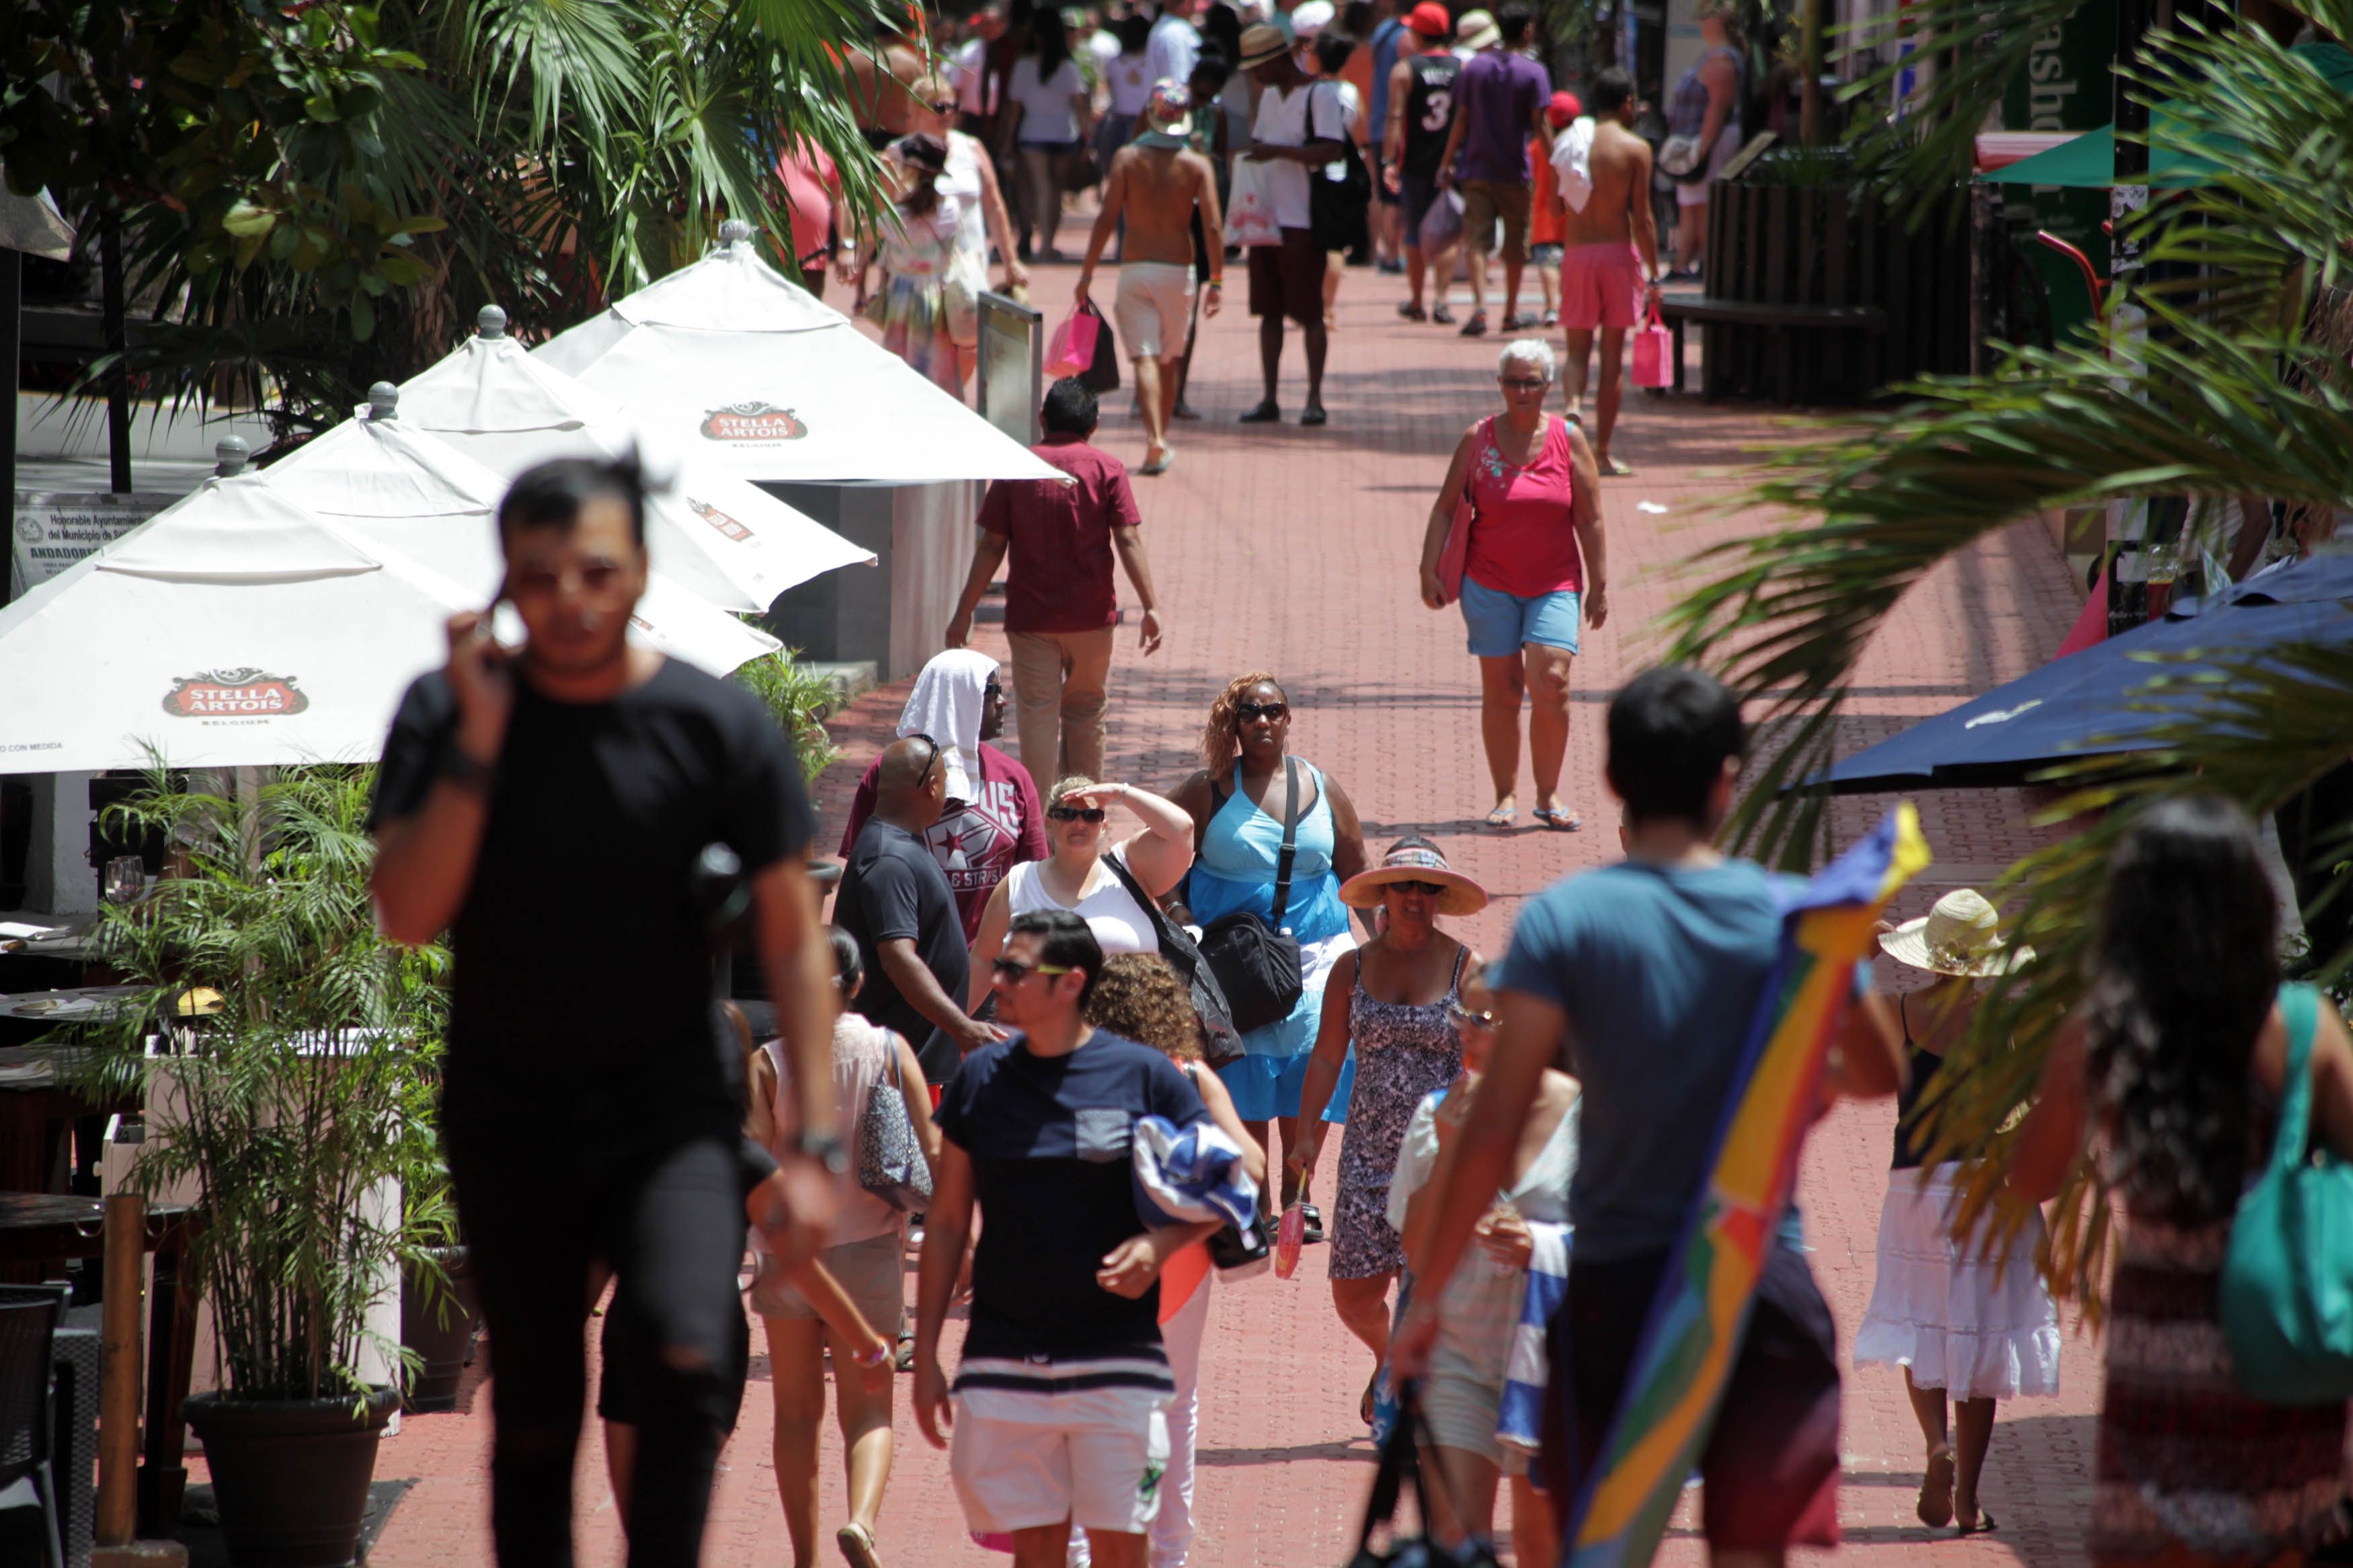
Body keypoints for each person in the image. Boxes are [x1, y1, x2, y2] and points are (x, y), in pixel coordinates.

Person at [367, 454, 842, 1568]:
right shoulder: (446, 710)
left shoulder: (715, 723)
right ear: (503, 582)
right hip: (512, 1116)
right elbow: (407, 912)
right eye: (539, 577)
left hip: (672, 1116)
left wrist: (814, 1142)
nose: (570, 599)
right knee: (535, 1405)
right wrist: (481, 736)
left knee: (685, 1351)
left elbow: (793, 938)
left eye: (596, 570)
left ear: (639, 568)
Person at [1393, 664, 1907, 1565]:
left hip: (1618, 1288)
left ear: (1611, 779)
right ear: (1727, 781)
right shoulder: (1792, 912)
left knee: (1604, 1547)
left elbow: (1494, 1121)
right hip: (1757, 1279)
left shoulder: (1567, 919)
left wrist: (1426, 1296)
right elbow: (1875, 1071)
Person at [2012, 795, 2353, 1564]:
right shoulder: (2302, 1026)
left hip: (2159, 1345)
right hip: (2279, 1325)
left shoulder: (2101, 1029)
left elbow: (2030, 1174)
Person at [913, 911, 1226, 1568]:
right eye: (999, 964)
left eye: (1015, 969)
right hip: (1007, 1361)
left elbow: (1230, 1184)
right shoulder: (979, 1079)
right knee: (1036, 1549)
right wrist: (926, 1353)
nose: (997, 979)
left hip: (1119, 1362)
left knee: (1119, 1548)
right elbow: (945, 1223)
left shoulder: (1145, 1075)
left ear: (1071, 983)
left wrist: (1162, 1244)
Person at [1853, 890, 2059, 1536]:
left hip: (1915, 1187)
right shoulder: (2005, 1022)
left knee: (1921, 1321)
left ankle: (1934, 1445)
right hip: (1987, 1187)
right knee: (1980, 1333)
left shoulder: (1901, 1010)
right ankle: (1968, 1500)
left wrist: (1860, 957)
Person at [747, 938, 934, 1568]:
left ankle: (805, 1557)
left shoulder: (769, 1061)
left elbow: (752, 1162)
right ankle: (861, 1522)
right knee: (870, 1409)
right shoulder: (890, 1049)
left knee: (796, 1414)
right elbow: (933, 1147)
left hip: (789, 1257)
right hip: (871, 1247)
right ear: (857, 984)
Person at [1289, 838, 1486, 1427]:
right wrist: (1305, 1136)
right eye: (1403, 885)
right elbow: (1328, 1055)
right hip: (1367, 1153)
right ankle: (1388, 1357)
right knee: (1353, 1295)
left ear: (1441, 897)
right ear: (1383, 893)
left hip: (1439, 1159)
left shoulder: (1467, 967)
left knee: (1427, 1292)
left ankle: (1422, 1407)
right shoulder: (1351, 968)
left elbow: (1491, 1055)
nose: (1414, 898)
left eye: (1427, 888)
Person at [1082, 953, 1267, 1568]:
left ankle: (1082, 1551)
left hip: (1105, 1259)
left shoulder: (1083, 1078)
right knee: (1177, 1402)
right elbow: (1253, 1166)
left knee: (1094, 1407)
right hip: (1182, 1258)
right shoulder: (1191, 1076)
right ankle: (1170, 1553)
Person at [1166, 672, 1370, 1227]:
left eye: (1273, 710)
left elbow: (1357, 871)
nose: (1262, 720)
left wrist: (1385, 945)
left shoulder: (1322, 787)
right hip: (1235, 962)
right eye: (1250, 712)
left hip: (1319, 957)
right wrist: (1181, 916)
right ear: (1234, 724)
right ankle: (1254, 1203)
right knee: (1246, 1073)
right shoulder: (1207, 789)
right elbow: (1155, 860)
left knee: (1312, 1070)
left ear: (1288, 718)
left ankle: (1296, 1198)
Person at [1391, 960, 1577, 1567]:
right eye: (1461, 1014)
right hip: (1458, 1358)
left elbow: (1627, 1239)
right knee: (1456, 1544)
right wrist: (1451, 1148)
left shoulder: (1587, 1118)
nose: (1467, 1030)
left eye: (1486, 1018)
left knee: (1540, 1545)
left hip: (1550, 1364)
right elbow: (1417, 1250)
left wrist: (1541, 1245)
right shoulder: (1434, 1114)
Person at [1418, 339, 1608, 831]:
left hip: (1555, 582)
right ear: (1500, 385)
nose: (1522, 391)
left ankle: (1548, 794)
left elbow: (1590, 518)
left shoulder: (1569, 439)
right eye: (1513, 381)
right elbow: (1444, 508)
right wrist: (1428, 568)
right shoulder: (1477, 439)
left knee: (1552, 680)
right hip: (1489, 582)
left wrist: (1600, 584)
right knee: (1503, 690)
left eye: (1532, 382)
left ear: (1548, 386)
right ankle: (1505, 795)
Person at [946, 378, 1168, 784]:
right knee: (1087, 710)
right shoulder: (1108, 469)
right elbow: (1127, 538)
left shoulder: (1017, 469)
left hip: (1031, 619)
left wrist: (964, 612)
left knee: (1037, 715)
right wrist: (1150, 606)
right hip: (1092, 618)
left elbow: (992, 546)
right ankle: (1084, 809)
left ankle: (1039, 816)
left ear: (1042, 418)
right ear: (1094, 424)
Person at [838, 651, 1047, 944]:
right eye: (991, 691)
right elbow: (861, 869)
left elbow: (1034, 877)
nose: (1003, 701)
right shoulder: (892, 771)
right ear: (956, 697)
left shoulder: (1014, 777)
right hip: (906, 954)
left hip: (991, 961)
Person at [836, 735, 1006, 1086]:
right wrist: (962, 1028)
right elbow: (898, 957)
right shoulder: (888, 859)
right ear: (932, 787)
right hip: (900, 1075)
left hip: (917, 1067)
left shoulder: (896, 845)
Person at [1076, 83, 1226, 477]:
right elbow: (1212, 225)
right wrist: (1217, 280)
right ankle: (1160, 439)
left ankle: (1154, 438)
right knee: (1168, 359)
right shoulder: (1197, 164)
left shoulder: (1127, 159)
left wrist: (1087, 273)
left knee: (1143, 356)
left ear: (1148, 114)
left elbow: (1106, 218)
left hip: (1136, 268)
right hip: (1179, 271)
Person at [970, 776, 1197, 993]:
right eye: (1067, 814)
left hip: (1131, 1019)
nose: (1079, 823)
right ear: (1049, 824)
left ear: (1104, 826)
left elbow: (1183, 829)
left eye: (1091, 815)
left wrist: (1121, 792)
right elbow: (982, 961)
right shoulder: (1019, 882)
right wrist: (958, 1018)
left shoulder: (1130, 869)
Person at [1236, 22, 1347, 426]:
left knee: (1310, 312)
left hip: (1303, 219)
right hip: (1266, 220)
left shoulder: (1321, 94)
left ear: (1278, 60)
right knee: (1269, 312)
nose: (1255, 76)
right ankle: (1269, 398)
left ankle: (1314, 399)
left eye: (1258, 68)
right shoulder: (1269, 96)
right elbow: (1261, 144)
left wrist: (1279, 152)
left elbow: (1332, 150)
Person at [1555, 67, 1661, 477]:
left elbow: (1556, 206)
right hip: (1617, 255)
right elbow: (1643, 219)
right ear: (1627, 103)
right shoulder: (1636, 149)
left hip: (1577, 254)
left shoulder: (1570, 142)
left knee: (1576, 350)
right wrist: (1655, 273)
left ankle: (1572, 405)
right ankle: (1601, 453)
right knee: (1612, 358)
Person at [906, 75, 1031, 387]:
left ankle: (951, 397)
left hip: (969, 265)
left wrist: (1011, 260)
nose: (947, 113)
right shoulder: (903, 153)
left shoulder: (971, 148)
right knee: (927, 344)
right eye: (938, 107)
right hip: (920, 267)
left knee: (969, 341)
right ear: (916, 109)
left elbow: (994, 206)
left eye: (953, 106)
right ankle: (934, 400)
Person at [1436, 1, 1550, 337]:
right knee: (1516, 245)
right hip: (1515, 171)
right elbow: (1541, 125)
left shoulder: (1475, 68)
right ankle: (1510, 313)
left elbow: (1461, 119)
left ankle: (1480, 308)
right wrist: (1558, 167)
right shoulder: (1534, 72)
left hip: (1476, 168)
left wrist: (1446, 162)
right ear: (1526, 31)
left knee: (1477, 241)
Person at [1384, 3, 1461, 324]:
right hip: (1452, 163)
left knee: (1415, 231)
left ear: (1417, 34)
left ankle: (1417, 300)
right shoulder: (1462, 68)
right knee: (1449, 231)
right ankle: (1441, 298)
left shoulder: (1404, 70)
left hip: (1416, 163)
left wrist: (1389, 160)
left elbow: (1395, 117)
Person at [869, 134, 963, 395]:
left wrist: (884, 184)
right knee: (936, 370)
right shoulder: (950, 210)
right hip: (936, 295)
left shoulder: (898, 216)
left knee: (901, 371)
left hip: (902, 297)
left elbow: (862, 229)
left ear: (910, 170)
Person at [1004, 9, 1092, 261]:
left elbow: (1014, 111)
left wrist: (1008, 141)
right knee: (1055, 191)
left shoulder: (1023, 66)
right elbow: (1080, 107)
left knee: (1042, 188)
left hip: (1032, 135)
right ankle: (1048, 245)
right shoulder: (1069, 66)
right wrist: (1087, 138)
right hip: (1064, 135)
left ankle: (1043, 245)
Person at [1666, 0, 1742, 277]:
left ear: (1718, 21)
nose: (1700, 21)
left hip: (1710, 141)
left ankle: (1707, 264)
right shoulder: (1714, 55)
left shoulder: (1723, 59)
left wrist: (1701, 150)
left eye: (1706, 16)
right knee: (1691, 203)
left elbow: (1718, 106)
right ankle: (1682, 263)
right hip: (1696, 140)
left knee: (1703, 204)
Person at [1310, 30, 1369, 334]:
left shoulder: (1310, 91)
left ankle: (1313, 305)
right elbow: (1359, 132)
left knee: (1313, 243)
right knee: (1336, 245)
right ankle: (1328, 308)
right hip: (1343, 174)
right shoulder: (1350, 92)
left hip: (1313, 173)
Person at [1525, 91, 1579, 327]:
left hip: (1544, 218)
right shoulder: (1577, 147)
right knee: (1569, 265)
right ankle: (1570, 306)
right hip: (1573, 219)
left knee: (1548, 264)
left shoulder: (1536, 148)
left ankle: (1551, 307)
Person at [1364, 0, 1408, 270]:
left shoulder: (1383, 31)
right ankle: (1392, 253)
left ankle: (1379, 250)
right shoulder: (1405, 35)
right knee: (1394, 194)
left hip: (1377, 121)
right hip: (1395, 124)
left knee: (1380, 192)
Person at [775, 135, 842, 298]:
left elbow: (841, 200)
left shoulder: (823, 138)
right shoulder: (755, 133)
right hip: (763, 255)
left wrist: (846, 246)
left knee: (807, 310)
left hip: (811, 258)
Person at [845, 19, 929, 151]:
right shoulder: (912, 65)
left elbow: (834, 102)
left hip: (856, 139)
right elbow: (926, 108)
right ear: (904, 30)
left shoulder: (852, 59)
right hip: (898, 144)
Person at [1101, 13, 1158, 186]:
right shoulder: (1153, 63)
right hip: (1143, 122)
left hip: (1119, 120)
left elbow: (1108, 91)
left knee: (1116, 173)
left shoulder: (1114, 63)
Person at [1148, 0, 1207, 101]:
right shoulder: (1176, 33)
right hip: (1176, 109)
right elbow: (1178, 90)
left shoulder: (1166, 28)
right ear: (1187, 3)